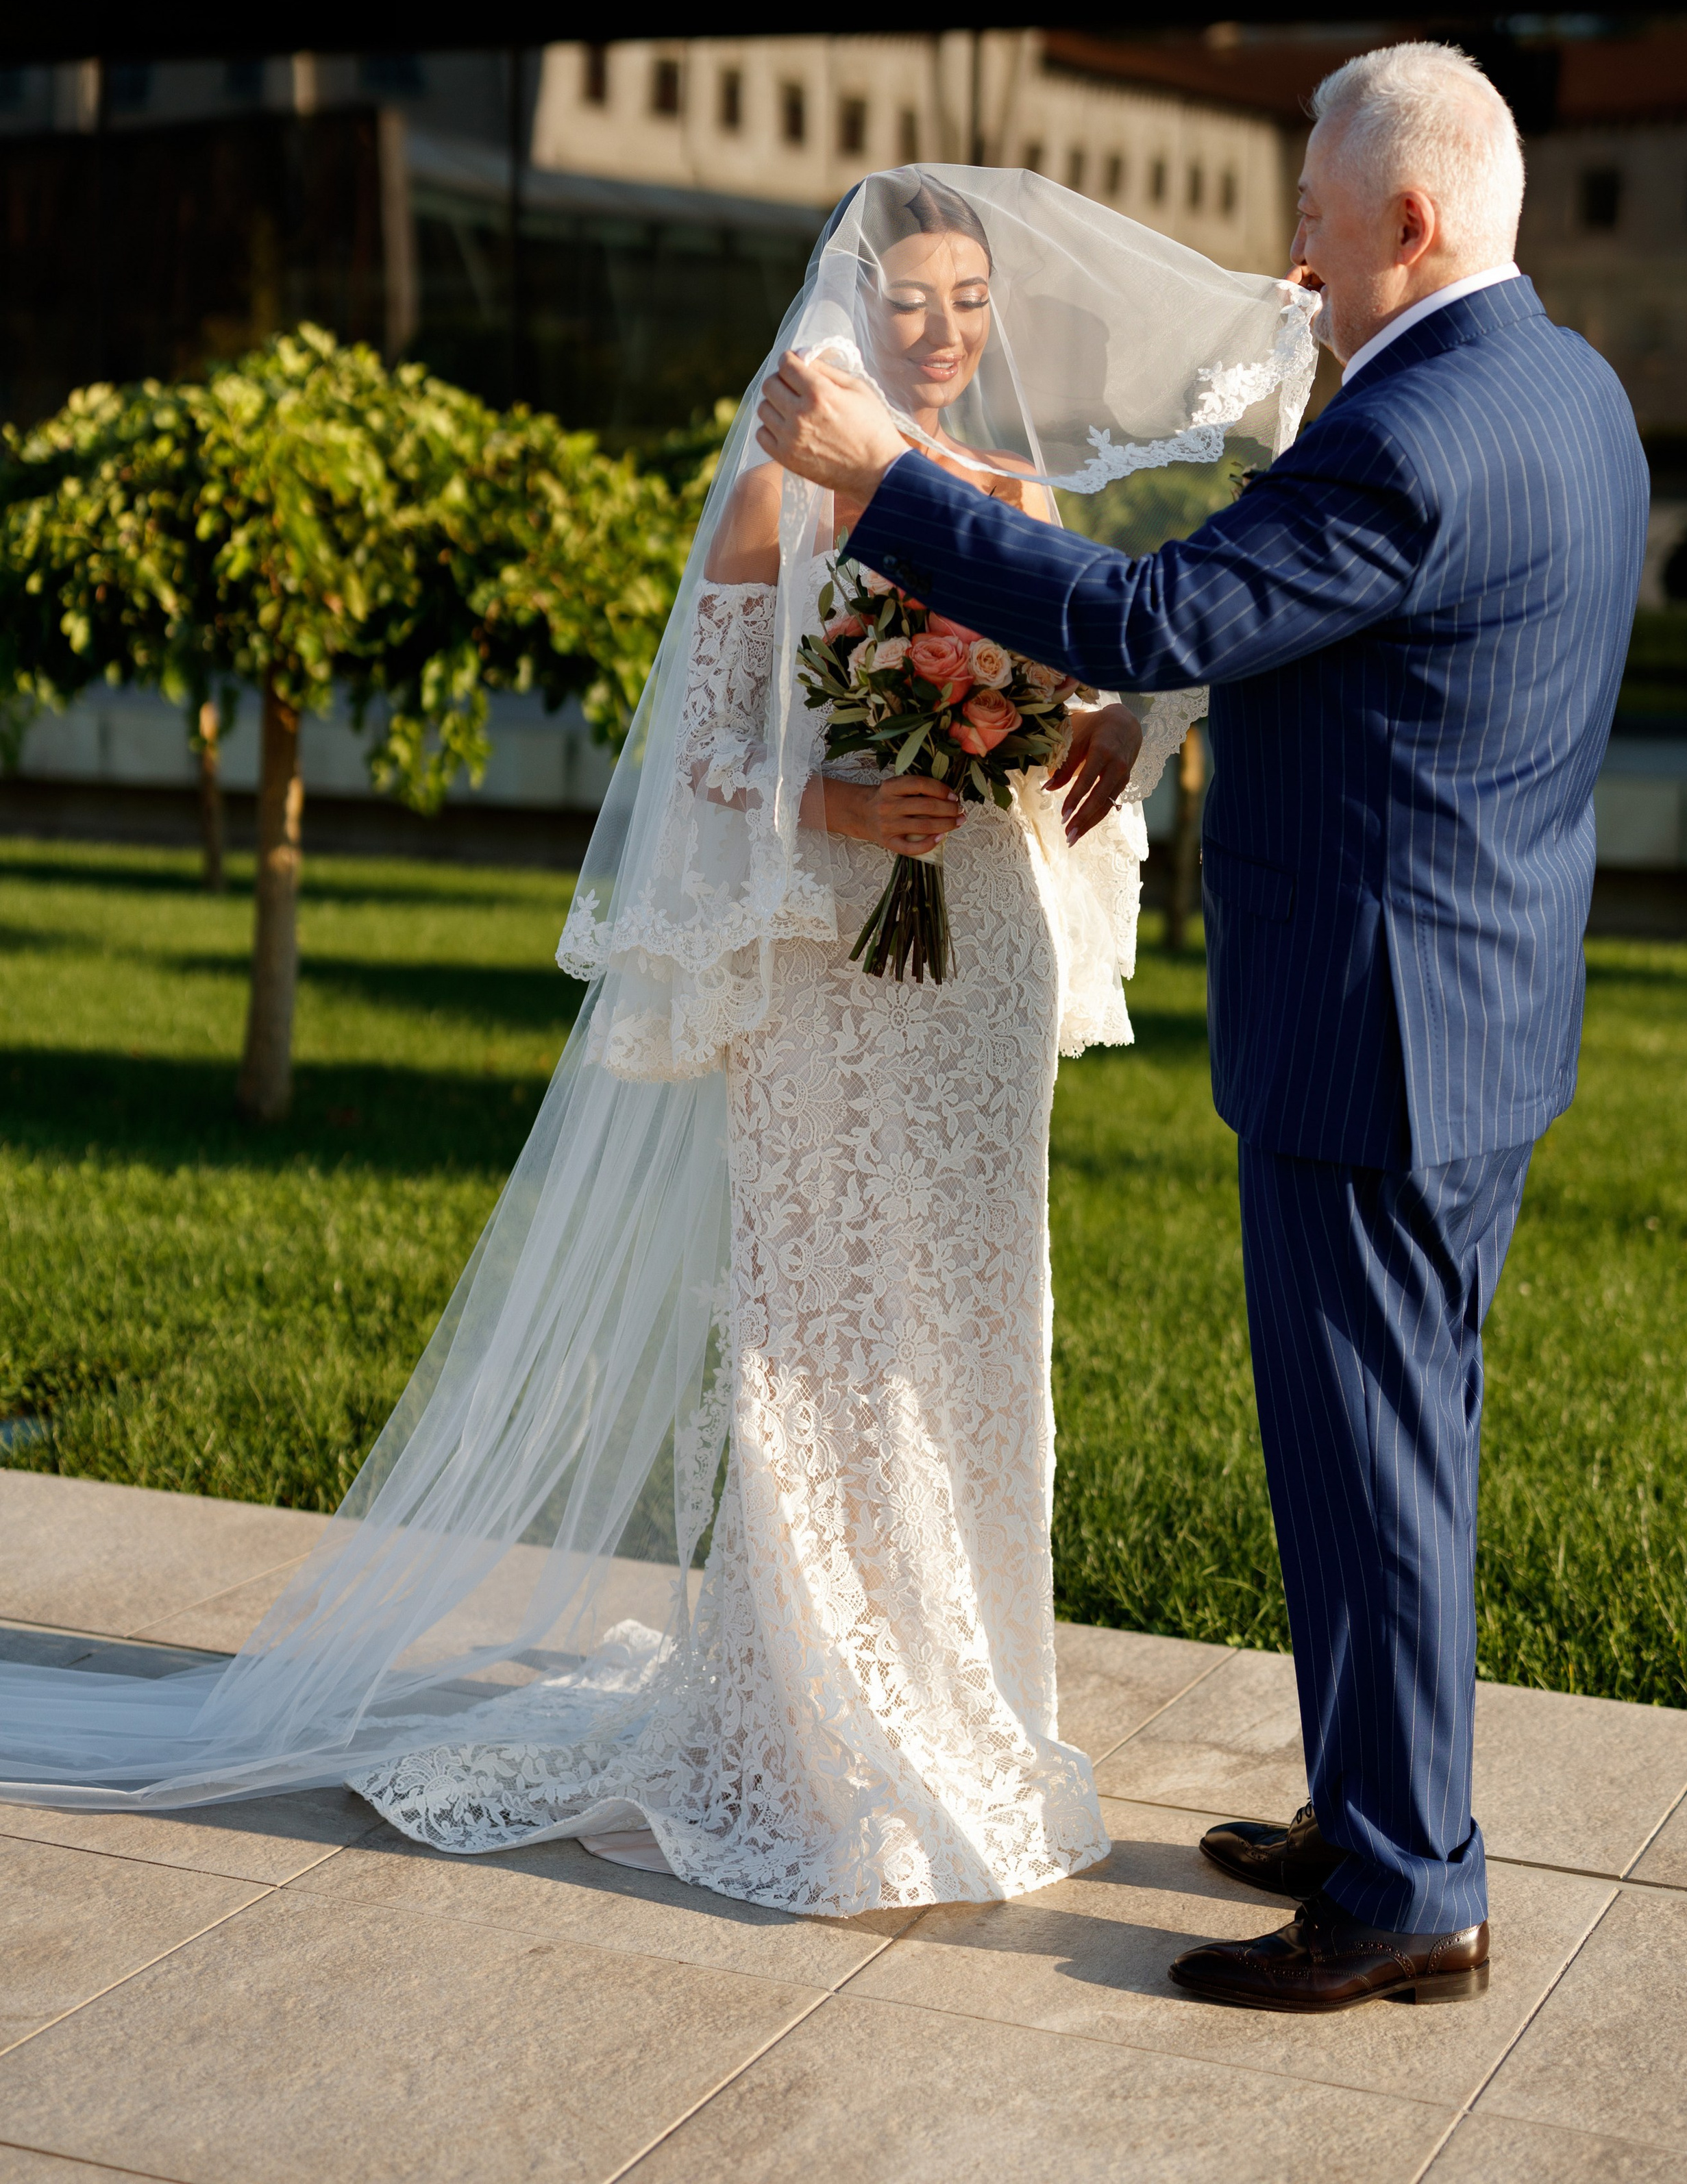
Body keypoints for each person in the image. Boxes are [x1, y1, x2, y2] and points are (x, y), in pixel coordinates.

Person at [0, 169, 1310, 1920]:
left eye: (969, 302)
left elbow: (1117, 655)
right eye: (909, 299)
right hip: (824, 949)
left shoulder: (1010, 490)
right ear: (851, 309)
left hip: (979, 947)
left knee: (970, 1318)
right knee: (814, 1318)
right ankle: (803, 1722)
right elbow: (705, 753)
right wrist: (845, 796)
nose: (940, 332)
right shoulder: (777, 486)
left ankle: (967, 1700)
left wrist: (1106, 721)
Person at [755, 45, 1649, 2000]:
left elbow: (1151, 616)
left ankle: (1406, 1898)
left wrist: (884, 482)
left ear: (1408, 219)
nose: (1297, 262)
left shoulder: (1407, 434)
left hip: (1370, 1030)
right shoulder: (1570, 391)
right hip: (1480, 1013)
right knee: (1395, 1452)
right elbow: (1354, 647)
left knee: (1372, 1460)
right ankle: (1377, 1807)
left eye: (1318, 224)